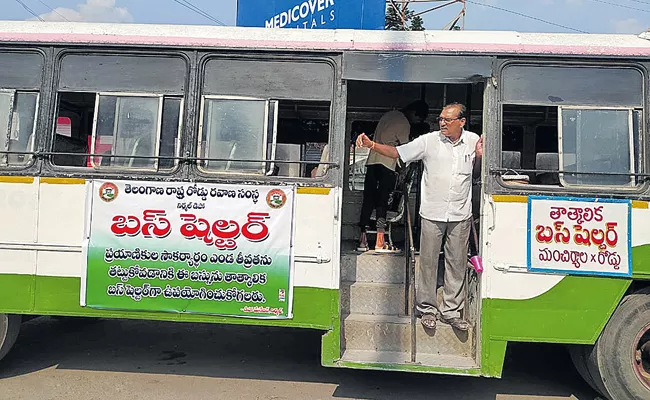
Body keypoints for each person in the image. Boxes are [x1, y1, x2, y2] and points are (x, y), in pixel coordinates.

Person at [355, 103, 483, 332]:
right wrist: (371, 144)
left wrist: (480, 158)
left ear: (462, 122)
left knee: (456, 263)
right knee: (428, 262)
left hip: (460, 214)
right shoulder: (429, 141)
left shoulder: (474, 141)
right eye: (441, 118)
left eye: (448, 119)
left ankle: (451, 312)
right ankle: (427, 309)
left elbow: (476, 174)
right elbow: (398, 153)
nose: (442, 123)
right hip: (432, 213)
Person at [357, 100, 429, 253]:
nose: (416, 122)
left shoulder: (388, 115)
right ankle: (380, 241)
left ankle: (362, 240)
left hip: (371, 162)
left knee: (368, 200)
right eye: (418, 119)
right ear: (414, 113)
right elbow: (404, 149)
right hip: (387, 165)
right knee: (383, 201)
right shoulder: (404, 123)